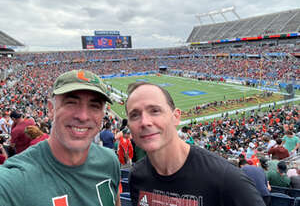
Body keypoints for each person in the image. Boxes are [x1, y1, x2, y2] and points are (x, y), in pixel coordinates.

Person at [126, 82, 265, 206]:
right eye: (135, 115)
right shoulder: (137, 176)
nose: (145, 122)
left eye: (155, 111)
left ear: (176, 117)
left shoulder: (228, 179)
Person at [0, 69, 121, 206]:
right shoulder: (15, 179)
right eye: (71, 103)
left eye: (94, 106)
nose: (83, 116)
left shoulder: (110, 161)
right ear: (51, 109)